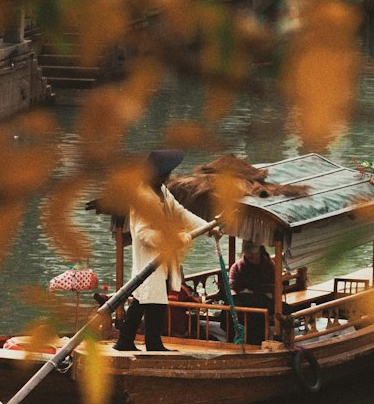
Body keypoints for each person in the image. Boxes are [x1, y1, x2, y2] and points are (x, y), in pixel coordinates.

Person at [114, 148, 216, 352]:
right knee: (153, 300)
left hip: (162, 259)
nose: (169, 176)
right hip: (149, 258)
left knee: (144, 300)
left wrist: (208, 228)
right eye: (166, 173)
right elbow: (144, 233)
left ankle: (125, 341)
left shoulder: (162, 191)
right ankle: (152, 343)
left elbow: (181, 213)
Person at [228, 240, 275, 345]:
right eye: (247, 251)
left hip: (262, 302)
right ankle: (234, 342)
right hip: (242, 301)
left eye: (253, 251)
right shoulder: (237, 267)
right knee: (231, 310)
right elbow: (232, 287)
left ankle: (257, 344)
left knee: (259, 313)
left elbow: (271, 288)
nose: (250, 254)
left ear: (260, 251)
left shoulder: (269, 265)